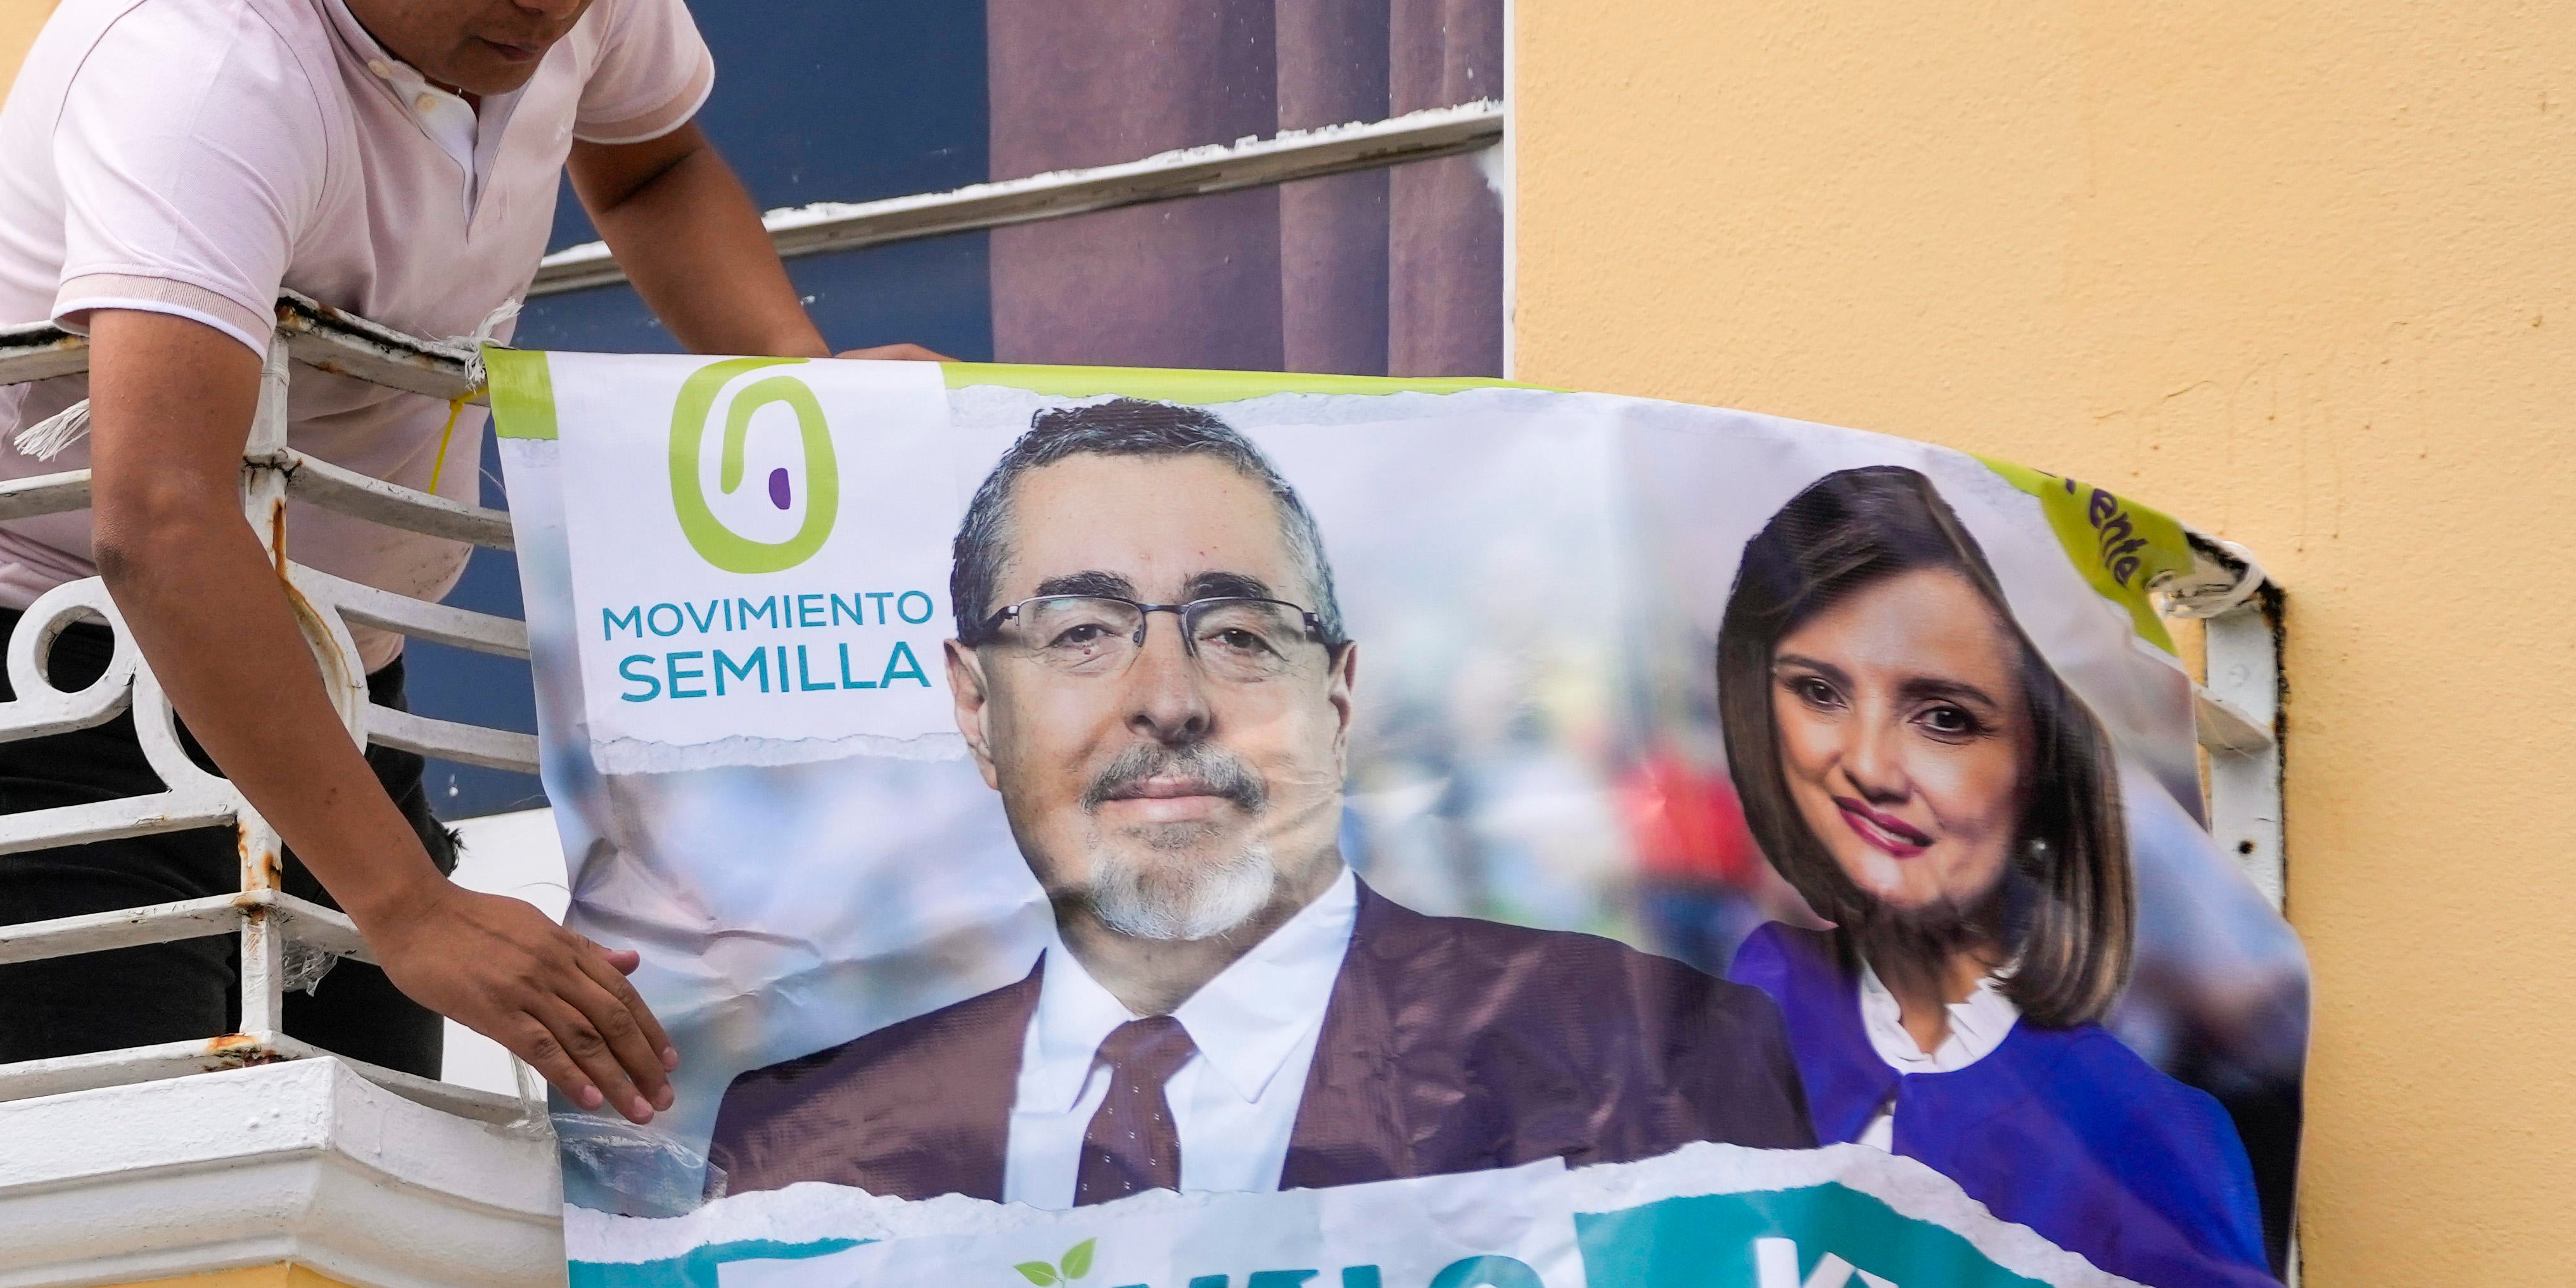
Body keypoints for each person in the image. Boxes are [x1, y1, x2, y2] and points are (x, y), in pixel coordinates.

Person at [0, 0, 888, 1121]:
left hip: (327, 640)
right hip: (46, 652)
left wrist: (810, 403)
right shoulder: (200, 54)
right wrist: (408, 909)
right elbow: (158, 513)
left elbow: (654, 166)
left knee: (376, 1165)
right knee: (162, 1193)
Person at [708, 399, 1809, 1202]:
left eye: (1239, 635)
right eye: (1082, 634)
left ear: (1336, 697)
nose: (1172, 702)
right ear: (973, 703)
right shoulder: (799, 1151)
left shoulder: (1659, 1056)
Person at [1714, 466, 2302, 1288]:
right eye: (1820, 692)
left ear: (2045, 768)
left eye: (1946, 718)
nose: (1870, 767)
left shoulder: (2142, 1131)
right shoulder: (1759, 994)